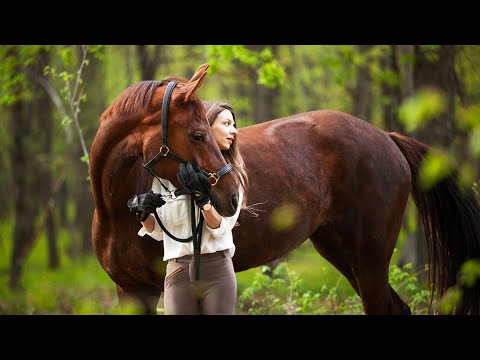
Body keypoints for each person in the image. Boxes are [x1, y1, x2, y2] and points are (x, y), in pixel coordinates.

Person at [127, 101, 248, 315]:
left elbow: (222, 227)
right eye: (227, 123)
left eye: (233, 124)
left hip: (218, 271)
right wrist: (143, 214)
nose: (234, 130)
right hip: (177, 272)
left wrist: (203, 198)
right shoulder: (166, 178)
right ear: (206, 127)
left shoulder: (231, 177)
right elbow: (157, 232)